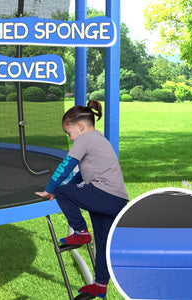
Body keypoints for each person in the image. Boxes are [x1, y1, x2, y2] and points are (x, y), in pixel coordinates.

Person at [36, 100, 129, 298]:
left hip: (104, 194)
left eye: (68, 133)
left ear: (80, 126)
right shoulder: (99, 139)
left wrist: (51, 189)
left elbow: (66, 165)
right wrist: (70, 187)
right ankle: (100, 285)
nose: (70, 139)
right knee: (103, 242)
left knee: (61, 191)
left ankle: (80, 231)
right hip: (116, 200)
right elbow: (83, 175)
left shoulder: (84, 140)